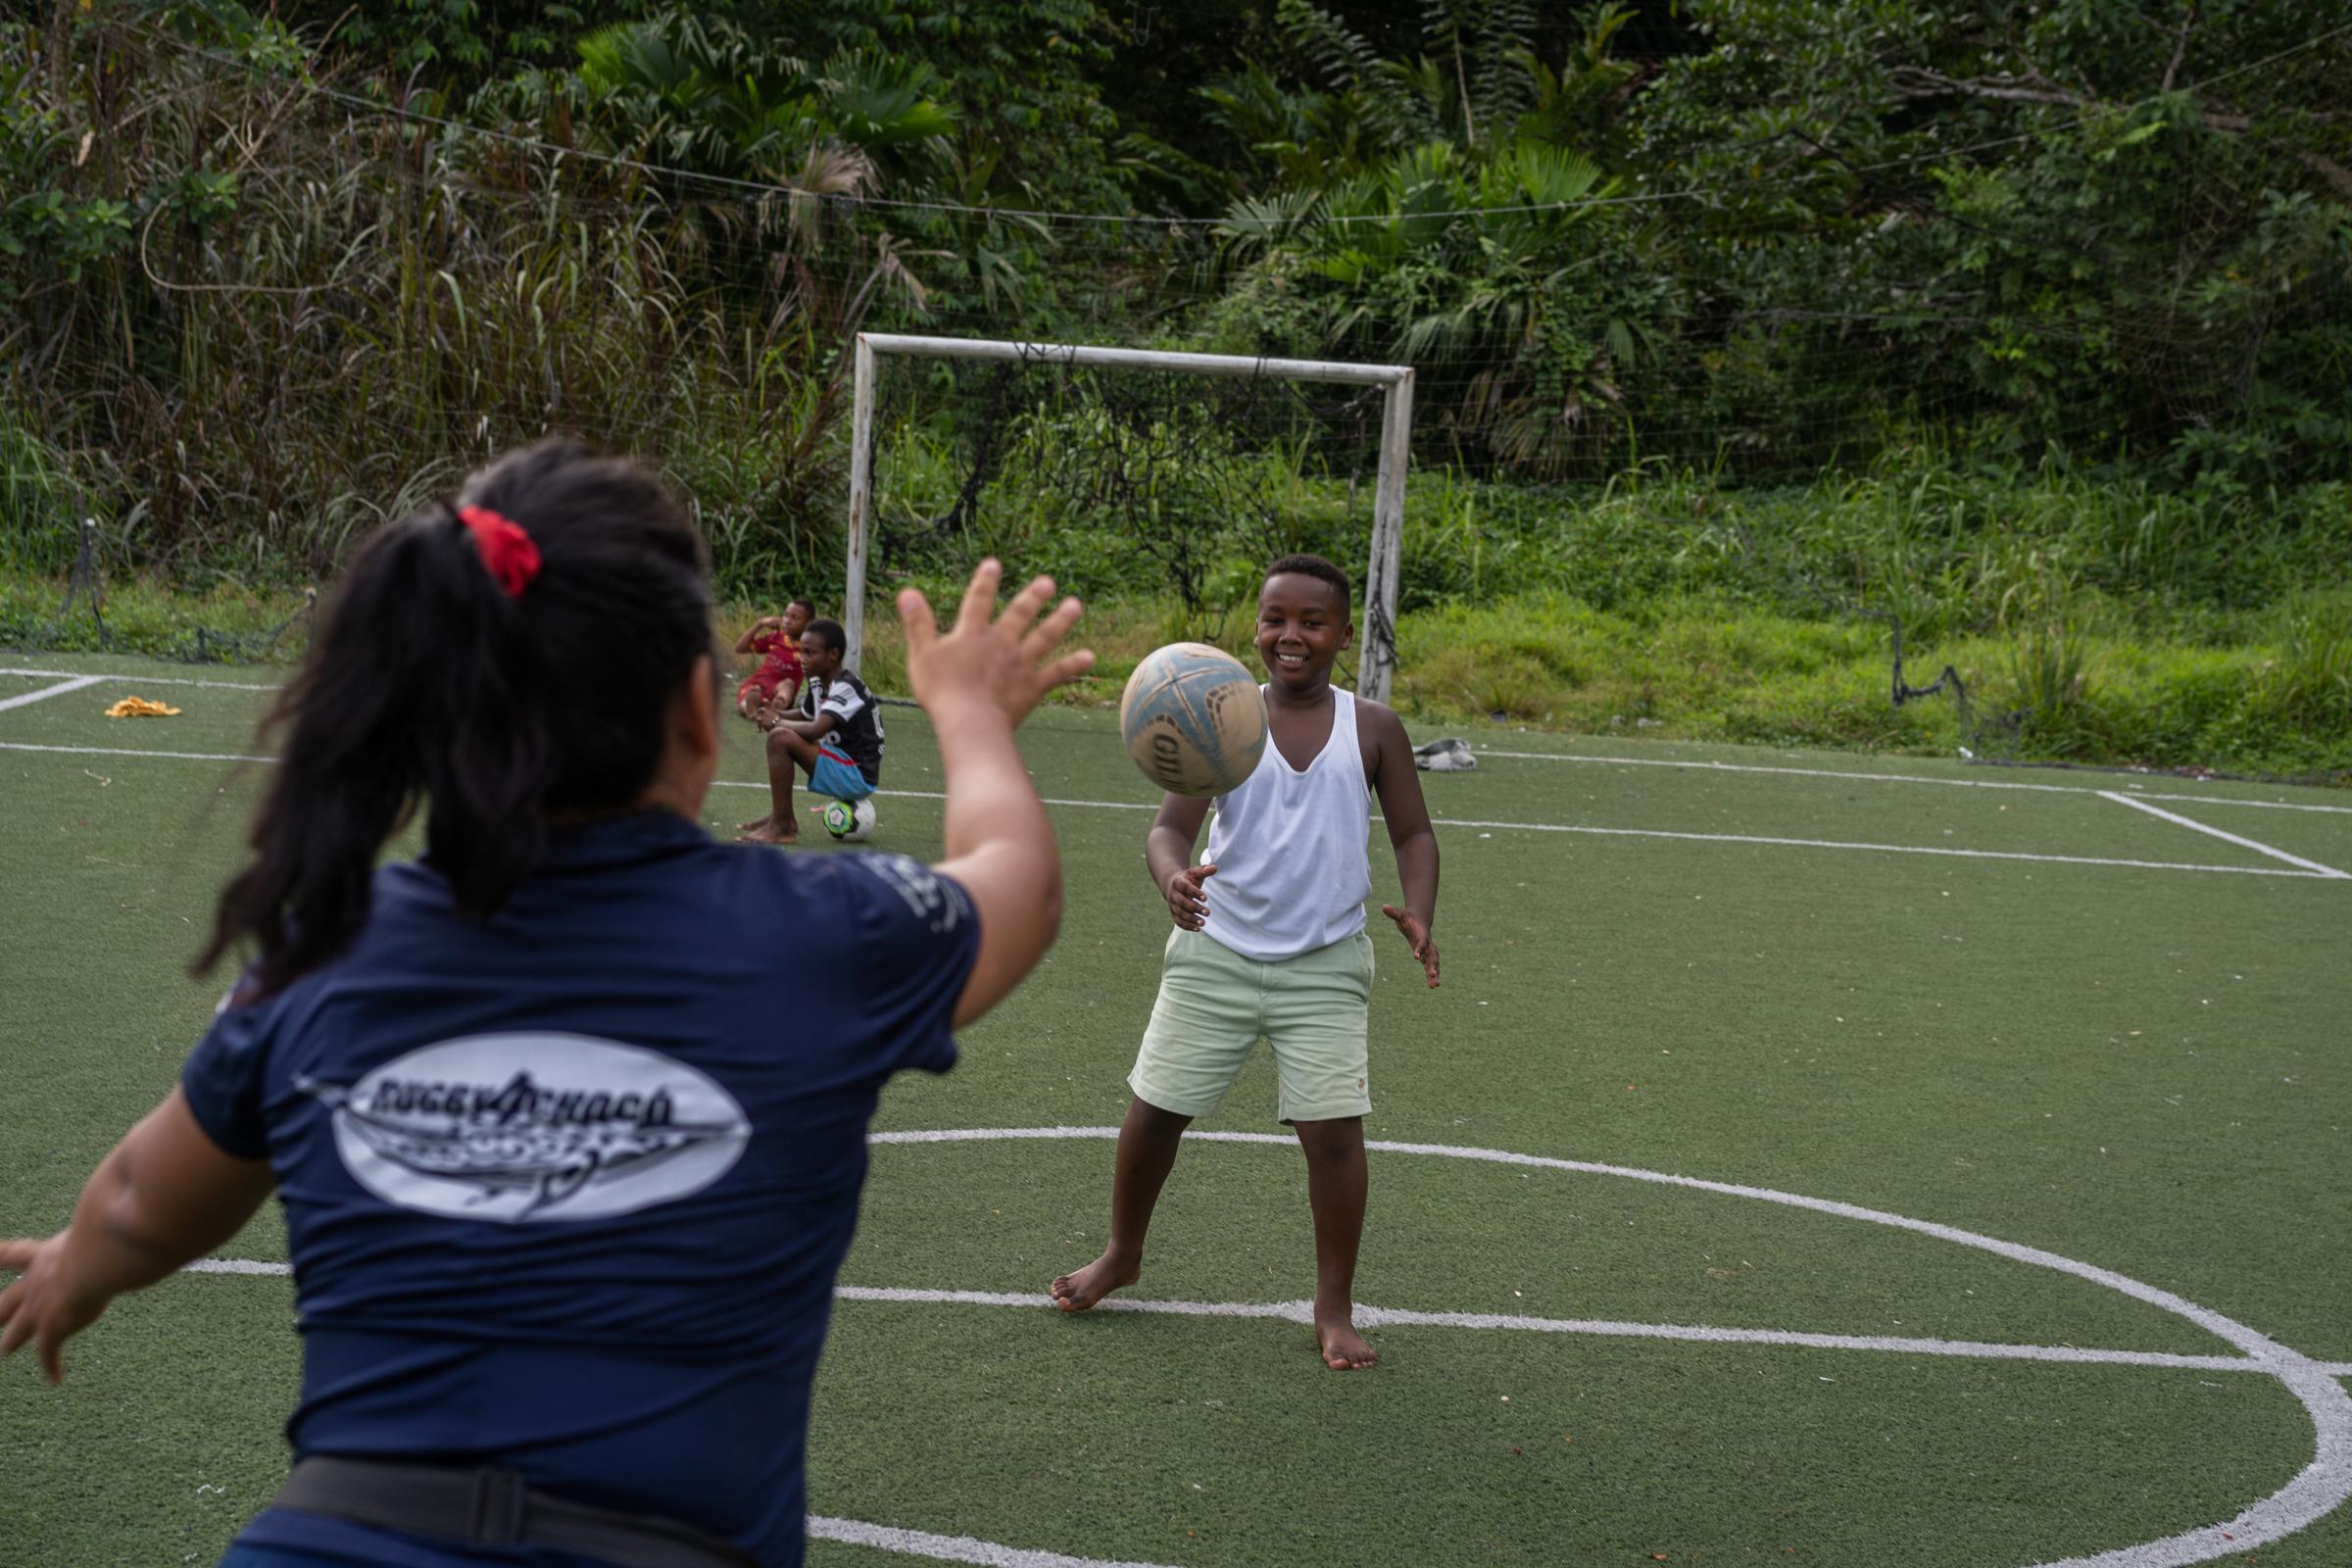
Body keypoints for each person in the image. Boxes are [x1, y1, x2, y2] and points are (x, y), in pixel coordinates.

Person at [0, 439, 1092, 1567]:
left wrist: (79, 1263)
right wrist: (968, 711)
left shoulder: (321, 952)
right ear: (696, 711)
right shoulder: (822, 933)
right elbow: (1020, 877)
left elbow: (139, 1198)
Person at [1050, 553, 1441, 1371]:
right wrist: (1171, 878)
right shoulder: (1218, 716)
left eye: (1312, 621)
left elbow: (1413, 831)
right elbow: (1167, 832)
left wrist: (1418, 908)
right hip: (1215, 952)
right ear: (1255, 627)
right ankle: (1123, 1253)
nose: (1290, 635)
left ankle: (1332, 1308)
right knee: (1154, 1110)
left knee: (1333, 1137)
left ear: (1342, 633)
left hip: (1325, 965)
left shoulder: (1373, 727)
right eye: (1275, 619)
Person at [736, 619, 883, 847]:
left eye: (809, 653)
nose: (802, 659)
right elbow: (806, 715)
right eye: (801, 652)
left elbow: (816, 728)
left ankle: (782, 825)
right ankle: (781, 816)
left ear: (833, 655)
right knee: (780, 734)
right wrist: (772, 712)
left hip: (856, 774)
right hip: (839, 762)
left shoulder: (846, 685)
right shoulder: (817, 681)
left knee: (779, 737)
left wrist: (776, 721)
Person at [733, 598, 814, 725]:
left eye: (794, 618)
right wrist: (760, 624)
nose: (787, 621)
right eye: (786, 615)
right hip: (756, 684)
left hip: (780, 690)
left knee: (788, 684)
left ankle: (774, 709)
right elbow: (740, 648)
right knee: (750, 695)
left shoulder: (809, 647)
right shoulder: (775, 638)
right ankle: (752, 710)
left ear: (808, 623)